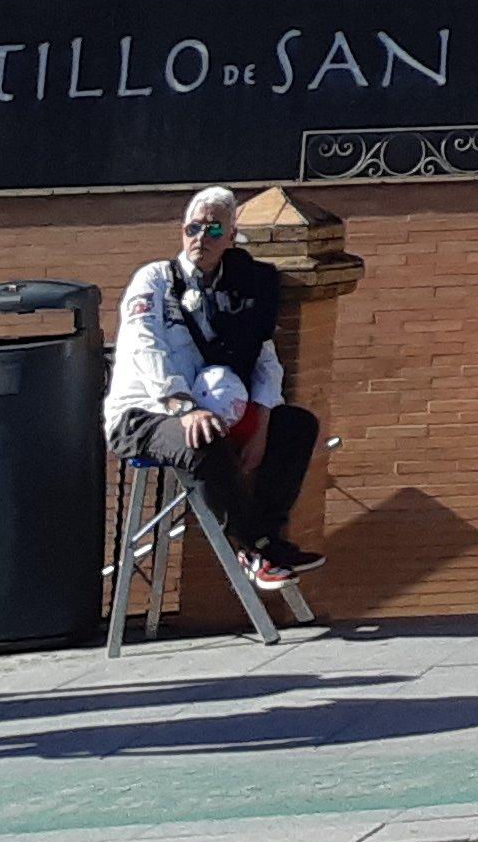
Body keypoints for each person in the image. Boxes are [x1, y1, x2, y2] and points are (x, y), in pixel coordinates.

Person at [106, 186, 322, 589]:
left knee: (297, 425)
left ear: (230, 236)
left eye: (213, 229)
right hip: (144, 414)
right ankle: (252, 548)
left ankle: (271, 537)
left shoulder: (241, 288)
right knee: (201, 440)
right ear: (181, 231)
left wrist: (261, 425)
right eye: (193, 227)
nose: (200, 238)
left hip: (218, 405)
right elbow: (144, 344)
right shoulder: (154, 280)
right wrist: (182, 406)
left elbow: (265, 357)